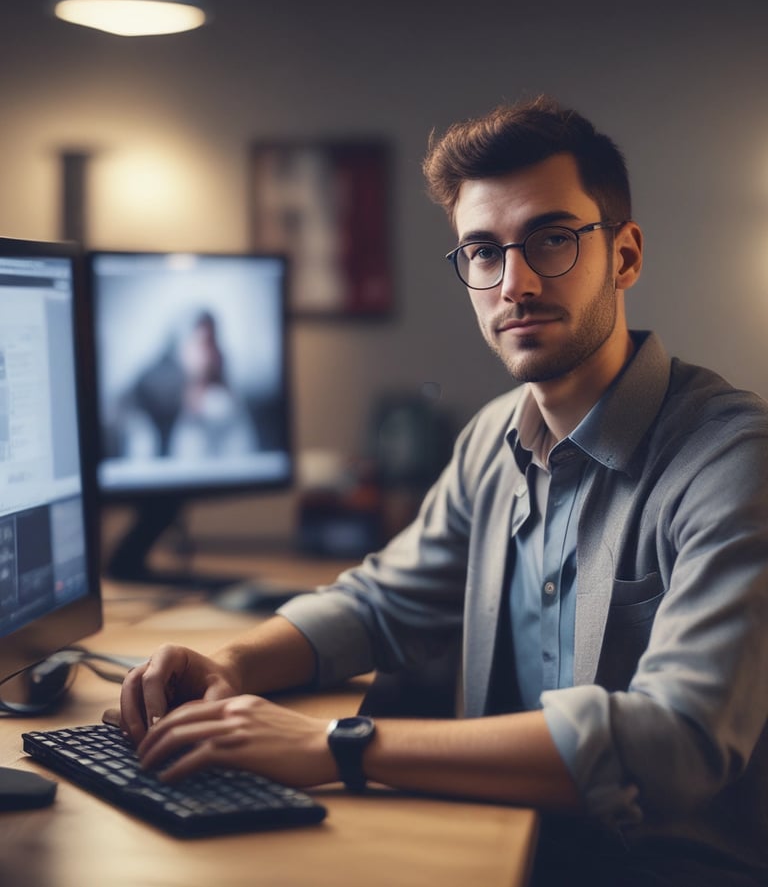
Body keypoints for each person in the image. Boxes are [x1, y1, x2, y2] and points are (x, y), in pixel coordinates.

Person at [119, 96, 768, 886]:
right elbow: (379, 602)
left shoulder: (731, 454)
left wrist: (335, 746)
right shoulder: (492, 438)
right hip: (508, 838)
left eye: (551, 239)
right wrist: (229, 663)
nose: (514, 282)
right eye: (483, 252)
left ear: (624, 255)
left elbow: (677, 737)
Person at [111, 308, 258, 459]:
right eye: (202, 344)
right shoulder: (159, 379)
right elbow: (119, 407)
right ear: (183, 348)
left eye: (212, 344)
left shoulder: (224, 393)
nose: (209, 355)